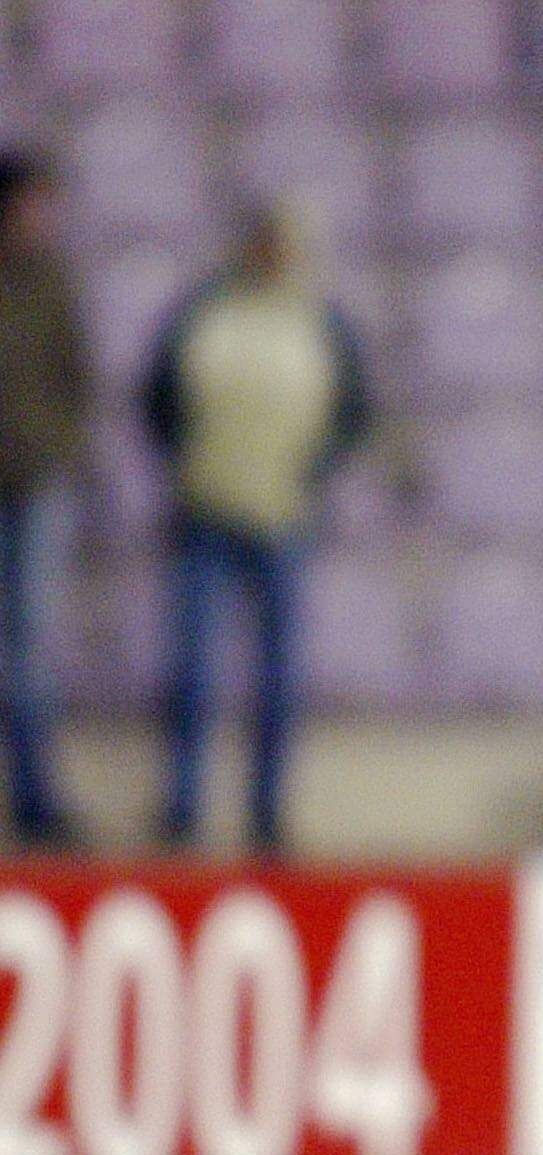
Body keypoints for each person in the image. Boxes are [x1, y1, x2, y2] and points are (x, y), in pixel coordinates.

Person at [140, 202, 370, 853]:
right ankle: (182, 807)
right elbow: (157, 397)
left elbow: (354, 410)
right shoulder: (205, 312)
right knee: (193, 670)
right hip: (204, 510)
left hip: (284, 517)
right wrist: (189, 462)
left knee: (279, 676)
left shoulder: (322, 322)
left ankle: (267, 812)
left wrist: (309, 473)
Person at [0, 149, 90, 847]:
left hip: (34, 486)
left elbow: (77, 379)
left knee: (30, 647)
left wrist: (55, 451)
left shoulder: (51, 283)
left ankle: (35, 796)